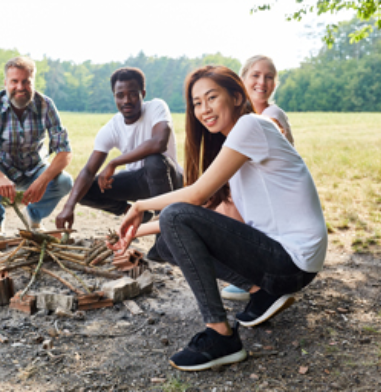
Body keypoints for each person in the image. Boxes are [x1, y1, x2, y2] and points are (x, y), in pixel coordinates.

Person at [109, 65, 327, 371]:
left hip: (291, 262)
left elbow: (194, 197)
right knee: (168, 243)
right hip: (284, 263)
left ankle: (220, 335)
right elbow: (211, 212)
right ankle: (260, 293)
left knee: (175, 216)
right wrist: (134, 232)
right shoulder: (236, 148)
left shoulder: (251, 126)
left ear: (237, 96)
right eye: (197, 103)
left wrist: (139, 205)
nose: (204, 109)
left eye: (212, 97)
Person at [55, 67, 182, 232]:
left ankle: (163, 234)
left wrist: (114, 162)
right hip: (138, 183)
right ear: (114, 96)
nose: (126, 100)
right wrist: (68, 207)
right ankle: (133, 212)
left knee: (154, 161)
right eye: (120, 95)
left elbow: (159, 143)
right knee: (84, 190)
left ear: (143, 93)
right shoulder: (112, 127)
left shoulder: (157, 107)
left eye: (133, 94)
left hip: (169, 180)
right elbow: (87, 171)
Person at [221, 55, 294, 301]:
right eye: (255, 75)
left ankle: (253, 280)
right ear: (242, 79)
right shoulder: (242, 117)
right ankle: (249, 275)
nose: (262, 82)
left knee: (226, 204)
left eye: (269, 77)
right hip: (260, 192)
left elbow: (270, 127)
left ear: (275, 84)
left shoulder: (273, 113)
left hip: (277, 197)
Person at [0, 56, 73, 235]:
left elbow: (64, 151)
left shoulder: (46, 105)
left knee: (65, 181)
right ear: (5, 83)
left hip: (36, 168)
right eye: (14, 81)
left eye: (26, 81)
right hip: (3, 167)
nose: (20, 87)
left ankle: (34, 217)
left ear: (33, 82)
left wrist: (43, 180)